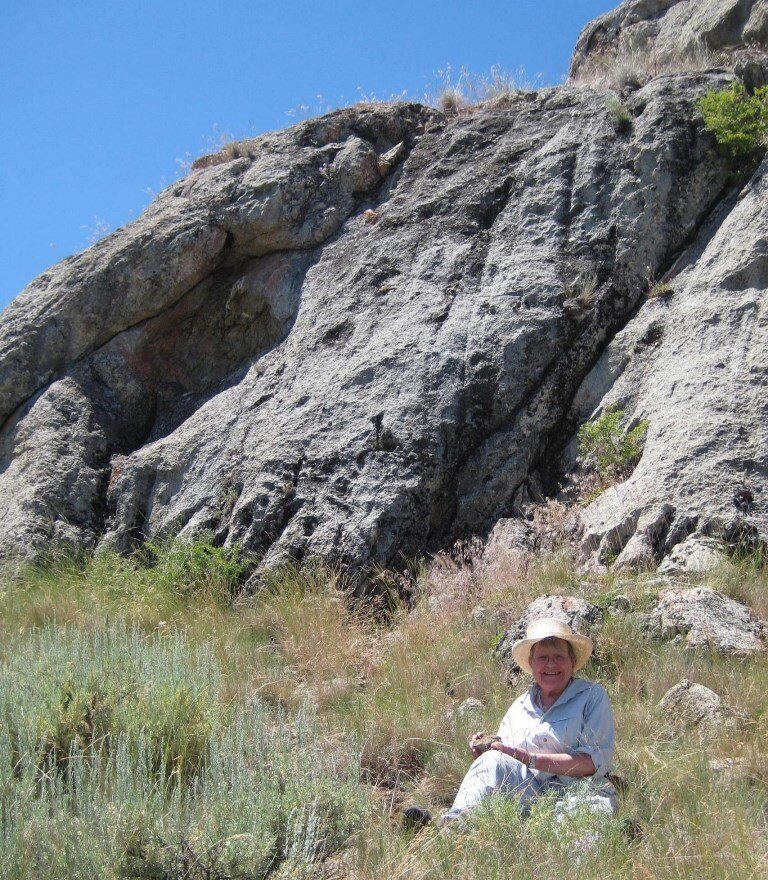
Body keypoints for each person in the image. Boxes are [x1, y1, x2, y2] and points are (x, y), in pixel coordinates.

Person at [440, 616, 616, 824]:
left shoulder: (592, 696)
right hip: (528, 793)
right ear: (532, 664)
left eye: (559, 656)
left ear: (573, 662)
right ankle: (457, 824)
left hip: (579, 792)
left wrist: (530, 759)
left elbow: (593, 763)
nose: (551, 664)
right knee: (490, 761)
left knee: (583, 826)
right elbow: (505, 761)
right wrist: (485, 750)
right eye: (542, 658)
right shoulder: (519, 707)